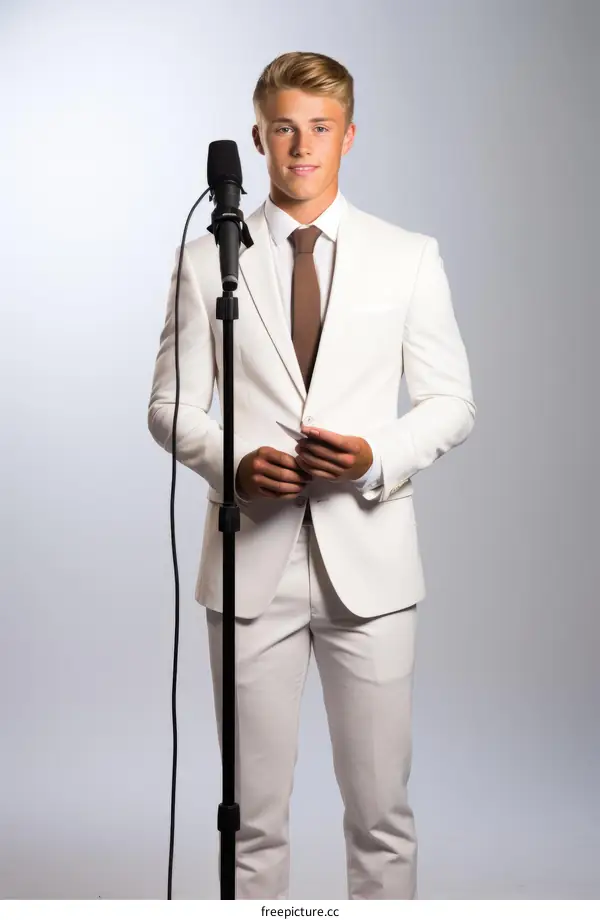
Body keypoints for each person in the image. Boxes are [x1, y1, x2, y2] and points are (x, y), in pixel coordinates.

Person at [147, 50, 476, 900]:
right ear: (258, 138)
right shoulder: (203, 260)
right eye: (285, 128)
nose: (302, 146)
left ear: (349, 137)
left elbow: (451, 403)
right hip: (249, 567)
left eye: (320, 128)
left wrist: (375, 457)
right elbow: (169, 407)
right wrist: (234, 465)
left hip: (371, 564)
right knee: (251, 818)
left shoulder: (409, 256)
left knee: (380, 815)